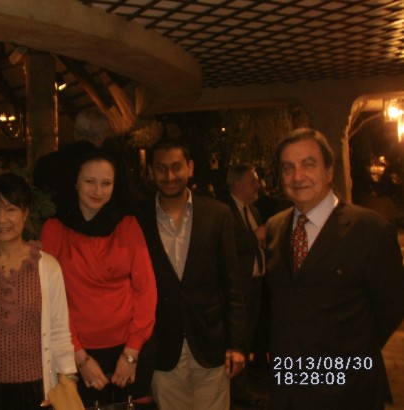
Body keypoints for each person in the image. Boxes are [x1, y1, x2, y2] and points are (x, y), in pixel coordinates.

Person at [266, 128, 404, 410]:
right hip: (288, 388)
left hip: (349, 389)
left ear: (329, 172)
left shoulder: (371, 229)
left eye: (308, 164)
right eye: (288, 168)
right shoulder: (275, 228)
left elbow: (391, 307)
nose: (297, 176)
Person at [40, 148, 157, 408]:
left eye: (106, 183)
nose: (98, 190)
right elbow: (49, 301)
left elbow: (146, 289)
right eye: (89, 181)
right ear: (75, 181)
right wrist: (79, 356)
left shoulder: (127, 224)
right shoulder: (54, 229)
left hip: (130, 347)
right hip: (73, 349)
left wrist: (131, 352)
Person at [135, 140, 247, 410]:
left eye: (176, 167)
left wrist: (237, 344)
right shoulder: (137, 218)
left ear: (190, 167)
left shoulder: (217, 214)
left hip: (211, 343)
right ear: (151, 171)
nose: (169, 176)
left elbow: (232, 284)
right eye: (161, 168)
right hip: (162, 346)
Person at [0, 173, 77, 409]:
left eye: (11, 209)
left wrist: (67, 381)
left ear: (25, 213)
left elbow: (59, 331)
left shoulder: (47, 267)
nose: (1, 219)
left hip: (36, 387)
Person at [220, 163, 268, 407]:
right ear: (238, 184)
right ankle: (232, 390)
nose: (257, 185)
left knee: (247, 338)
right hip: (237, 287)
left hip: (254, 285)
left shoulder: (253, 210)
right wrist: (255, 237)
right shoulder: (224, 210)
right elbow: (227, 245)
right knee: (235, 339)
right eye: (252, 181)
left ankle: (240, 387)